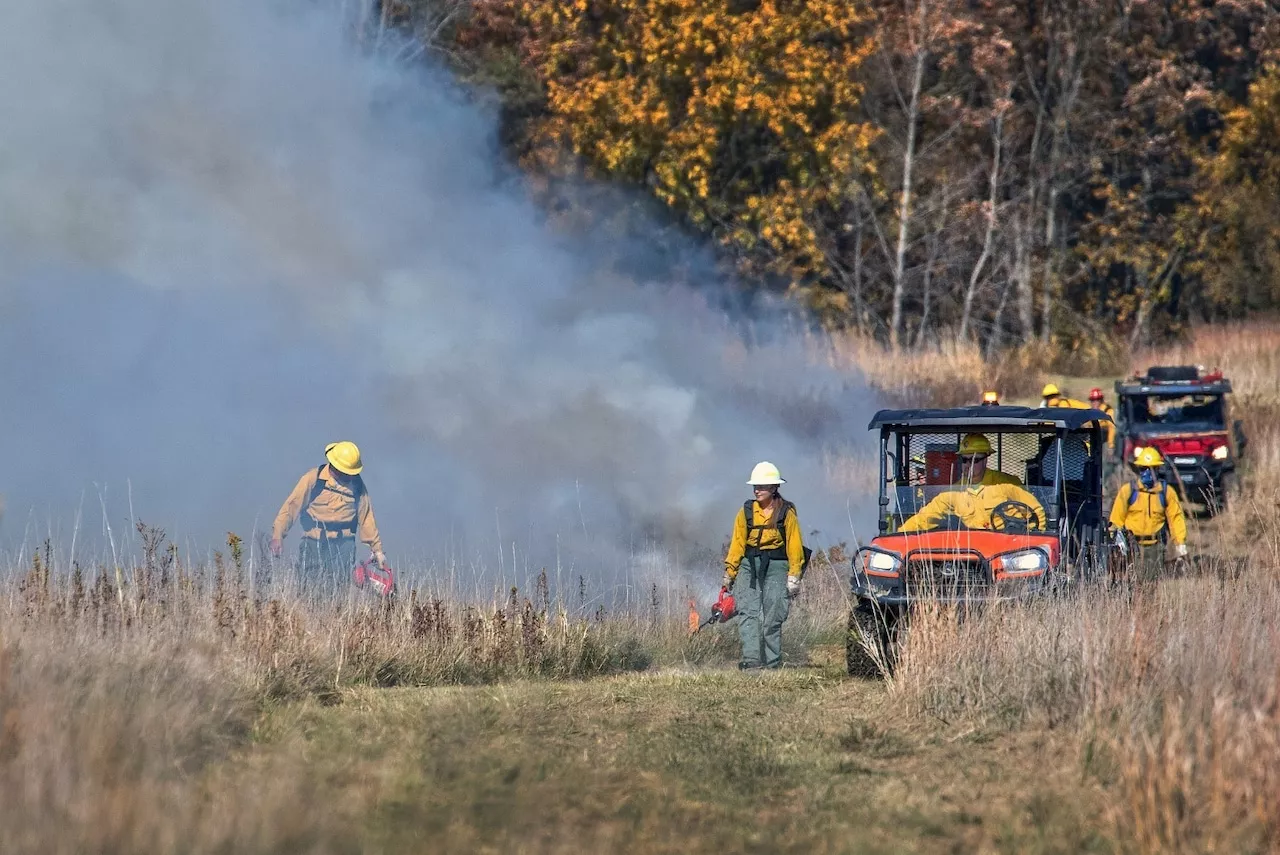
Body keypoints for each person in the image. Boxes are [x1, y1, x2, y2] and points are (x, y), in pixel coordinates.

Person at [722, 461, 807, 670]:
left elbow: (794, 545)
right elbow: (738, 543)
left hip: (777, 566)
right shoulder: (746, 511)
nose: (757, 490)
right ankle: (751, 660)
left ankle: (772, 662)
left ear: (774, 488)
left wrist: (794, 575)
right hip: (749, 566)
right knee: (747, 612)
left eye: (762, 486)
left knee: (773, 614)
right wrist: (730, 572)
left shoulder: (786, 512)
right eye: (755, 486)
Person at [271, 441, 386, 592]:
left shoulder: (357, 485)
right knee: (309, 589)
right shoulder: (313, 479)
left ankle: (334, 614)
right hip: (313, 542)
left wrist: (377, 550)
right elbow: (291, 507)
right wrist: (278, 535)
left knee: (337, 590)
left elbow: (366, 518)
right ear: (335, 467)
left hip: (344, 545)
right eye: (346, 473)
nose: (349, 476)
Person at [1108, 447, 1188, 581]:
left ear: (1157, 469)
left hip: (1156, 547)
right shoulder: (1127, 491)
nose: (1147, 473)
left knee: (1151, 583)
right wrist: (1116, 543)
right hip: (1131, 547)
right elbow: (1116, 520)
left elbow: (1176, 519)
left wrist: (1180, 546)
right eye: (1143, 469)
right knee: (1131, 583)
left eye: (1151, 469)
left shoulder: (1166, 492)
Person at [899, 480, 1046, 533]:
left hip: (1011, 546)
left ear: (986, 459)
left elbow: (1036, 510)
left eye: (976, 458)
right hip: (975, 549)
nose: (969, 463)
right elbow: (925, 518)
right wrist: (900, 535)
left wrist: (1039, 536)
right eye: (965, 459)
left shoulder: (1005, 487)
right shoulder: (953, 493)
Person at [954, 433, 1023, 486]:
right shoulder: (957, 488)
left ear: (985, 460)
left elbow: (1029, 503)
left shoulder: (1007, 483)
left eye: (974, 460)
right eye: (964, 460)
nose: (968, 464)